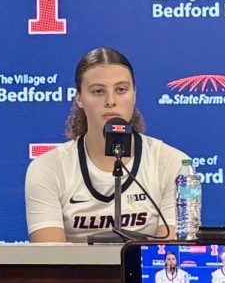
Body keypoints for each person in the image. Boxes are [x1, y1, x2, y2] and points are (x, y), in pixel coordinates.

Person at [25, 47, 191, 242]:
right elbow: (50, 263)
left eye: (121, 90)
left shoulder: (173, 164)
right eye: (98, 91)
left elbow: (170, 256)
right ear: (79, 98)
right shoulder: (47, 169)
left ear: (134, 94)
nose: (111, 101)